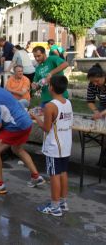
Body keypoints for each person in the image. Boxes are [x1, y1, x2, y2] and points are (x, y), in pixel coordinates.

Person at [0, 75, 45, 193]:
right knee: (17, 150)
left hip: (15, 126)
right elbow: (5, 109)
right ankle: (36, 177)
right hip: (26, 122)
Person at [30, 75, 72, 217]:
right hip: (65, 144)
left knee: (54, 175)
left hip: (54, 145)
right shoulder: (67, 103)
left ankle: (55, 207)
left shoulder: (50, 105)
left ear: (51, 87)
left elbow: (47, 128)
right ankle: (63, 202)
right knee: (63, 172)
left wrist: (35, 117)